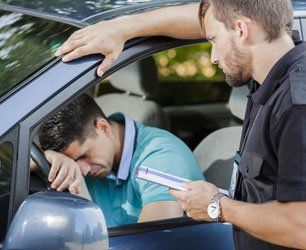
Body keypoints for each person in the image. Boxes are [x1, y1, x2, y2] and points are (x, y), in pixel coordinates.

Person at [54, 0, 306, 249]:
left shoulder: (297, 105)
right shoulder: (267, 74)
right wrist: (122, 29)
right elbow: (203, 17)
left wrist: (217, 206)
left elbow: (301, 226)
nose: (213, 57)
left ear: (241, 30)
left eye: (213, 40)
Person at [38, 94, 204, 227]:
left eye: (84, 156)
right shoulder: (99, 158)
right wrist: (49, 157)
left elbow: (152, 242)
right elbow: (20, 164)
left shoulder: (160, 156)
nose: (83, 171)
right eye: (72, 161)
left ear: (103, 127)